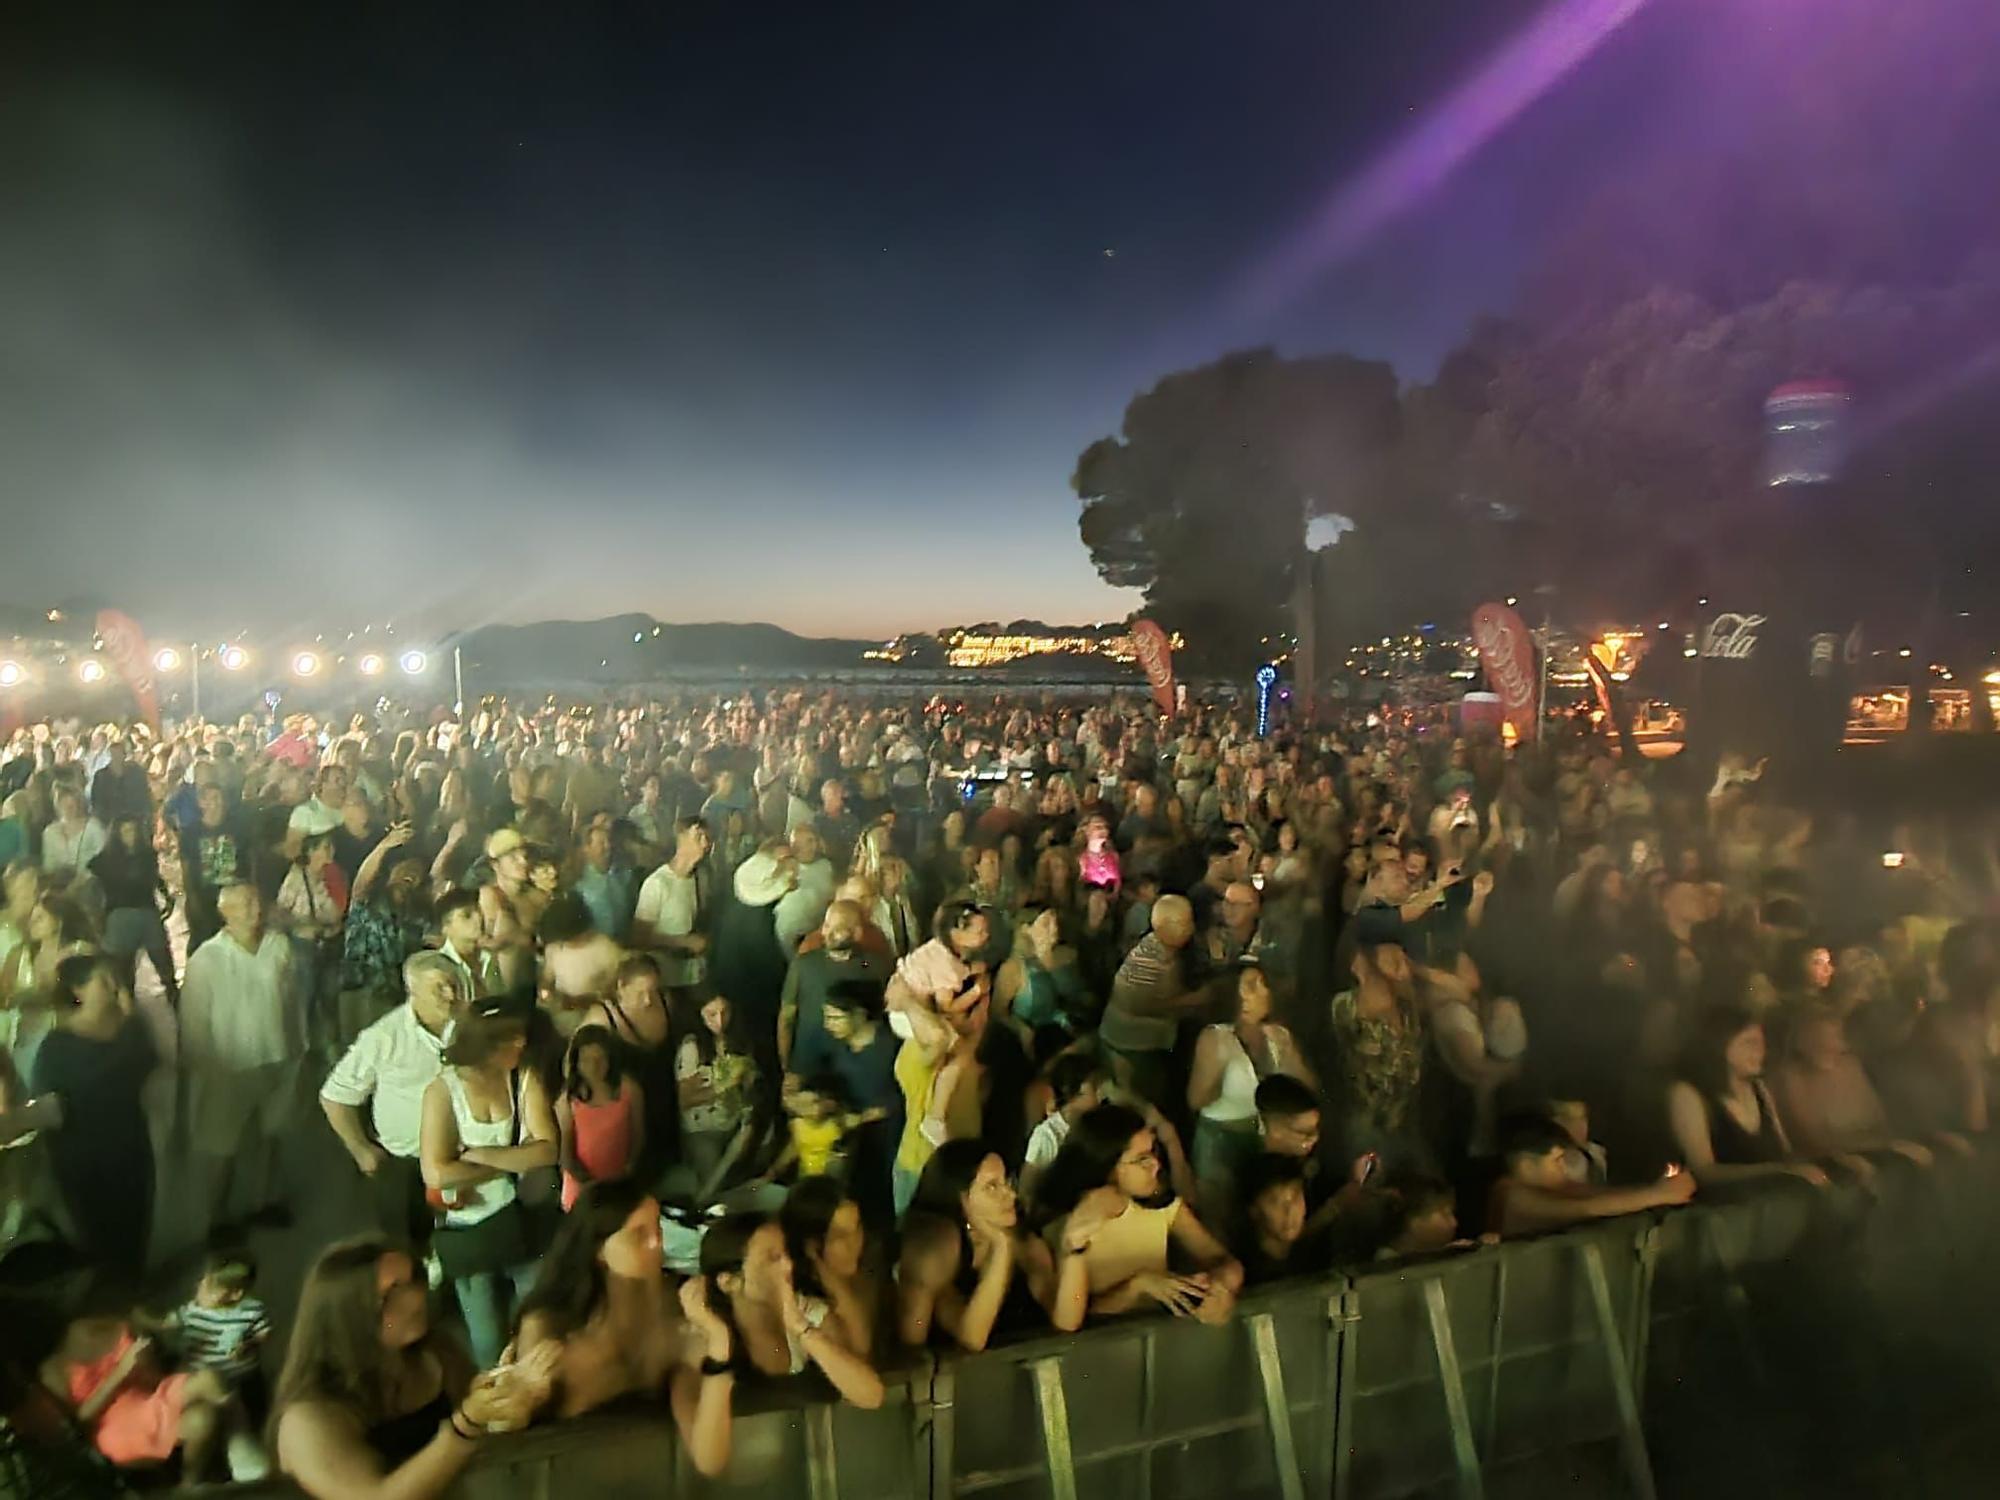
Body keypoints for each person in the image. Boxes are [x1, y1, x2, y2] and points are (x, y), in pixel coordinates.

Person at [272, 1237, 555, 1500]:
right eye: (391, 1293)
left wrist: (507, 1399)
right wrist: (464, 1427)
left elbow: (483, 1441)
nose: (417, 1298)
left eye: (415, 1281)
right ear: (349, 1314)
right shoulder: (307, 1418)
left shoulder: (435, 1353)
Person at [507, 1182, 734, 1473]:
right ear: (598, 1250)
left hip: (646, 1474)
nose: (657, 1244)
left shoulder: (675, 1316)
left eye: (658, 1229)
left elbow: (709, 1459)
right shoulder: (550, 1329)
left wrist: (718, 1344)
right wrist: (521, 1397)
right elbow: (515, 1436)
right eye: (639, 1235)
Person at [420, 999, 560, 1367]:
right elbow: (435, 1172)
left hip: (523, 1221)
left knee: (535, 1317)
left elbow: (547, 1150)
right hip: (470, 1228)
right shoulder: (442, 1092)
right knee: (486, 1336)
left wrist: (480, 1156)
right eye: (510, 1041)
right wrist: (513, 1159)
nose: (520, 1047)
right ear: (486, 1045)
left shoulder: (524, 1078)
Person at [1036, 1103, 1243, 1331]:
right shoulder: (1064, 1226)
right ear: (1108, 1166)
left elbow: (1224, 1262)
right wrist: (1137, 1287)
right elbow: (1072, 1321)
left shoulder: (1164, 1207)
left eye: (1153, 1152)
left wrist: (1218, 1287)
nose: (1155, 1165)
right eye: (1142, 1159)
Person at [321, 950, 467, 1247]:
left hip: (464, 1156)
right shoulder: (383, 1037)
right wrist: (361, 1150)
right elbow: (335, 1096)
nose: (450, 994)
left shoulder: (470, 1027)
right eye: (438, 987)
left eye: (453, 984)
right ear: (412, 991)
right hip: (405, 1168)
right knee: (407, 1245)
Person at [181, 883, 302, 1238]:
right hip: (228, 1068)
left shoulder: (279, 946)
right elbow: (193, 1020)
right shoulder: (207, 958)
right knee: (222, 1145)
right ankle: (216, 1219)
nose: (255, 910)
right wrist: (202, 1067)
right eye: (245, 904)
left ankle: (265, 1202)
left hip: (277, 1056)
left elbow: (293, 999)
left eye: (257, 901)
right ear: (225, 912)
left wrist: (299, 1046)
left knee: (272, 1136)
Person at [29, 953, 157, 1286]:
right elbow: (56, 1104)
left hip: (130, 1146)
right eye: (105, 980)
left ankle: (132, 1290)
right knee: (99, 1237)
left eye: (115, 978)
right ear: (79, 990)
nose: (115, 987)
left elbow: (148, 1066)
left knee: (135, 1226)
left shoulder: (128, 1029)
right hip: (84, 1159)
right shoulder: (57, 1046)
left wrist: (129, 1020)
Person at [897, 1139, 1080, 1351]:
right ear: (962, 1198)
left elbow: (1066, 1322)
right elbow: (971, 1340)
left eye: (1007, 1182)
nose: (1011, 1195)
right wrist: (1002, 1248)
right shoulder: (940, 1250)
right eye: (992, 1187)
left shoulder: (1025, 1242)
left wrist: (1076, 1251)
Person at [698, 1212, 885, 1408]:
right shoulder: (706, 1333)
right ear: (729, 1282)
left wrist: (802, 1329)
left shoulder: (804, 1310)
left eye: (786, 1253)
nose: (788, 1265)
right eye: (772, 1258)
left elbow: (871, 1396)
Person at [42, 1304, 234, 1479]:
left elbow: (134, 1328)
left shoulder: (81, 1328)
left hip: (149, 1396)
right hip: (115, 1428)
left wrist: (144, 1355)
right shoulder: (52, 1370)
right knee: (202, 1418)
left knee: (209, 1380)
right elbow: (80, 1421)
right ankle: (192, 1482)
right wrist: (121, 1372)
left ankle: (234, 1439)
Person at [1188, 963, 1312, 1223]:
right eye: (1251, 985)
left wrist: (1288, 1054)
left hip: (1264, 1139)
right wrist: (1217, 1066)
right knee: (1221, 1218)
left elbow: (1307, 1090)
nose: (1263, 990)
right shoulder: (1215, 1037)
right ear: (1236, 996)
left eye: (1263, 983)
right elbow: (1196, 1100)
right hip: (1220, 1141)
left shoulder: (1278, 1035)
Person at [1664, 1006, 1832, 1191]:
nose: (1760, 1051)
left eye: (1761, 1043)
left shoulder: (1759, 1089)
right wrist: (1777, 1170)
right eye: (1749, 1043)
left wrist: (1833, 1160)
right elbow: (1704, 1172)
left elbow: (1785, 1154)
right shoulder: (1688, 1094)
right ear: (1721, 1046)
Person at [1485, 1113, 1695, 1238]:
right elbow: (1587, 1208)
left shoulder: (1550, 1188)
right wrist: (1659, 1194)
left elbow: (1597, 1194)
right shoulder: (1512, 1194)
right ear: (1526, 1166)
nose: (1564, 1169)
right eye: (1557, 1161)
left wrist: (1662, 1188)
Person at [1098, 895, 1202, 1109]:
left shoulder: (1165, 950)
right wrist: (1194, 1000)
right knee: (1146, 1101)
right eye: (1184, 923)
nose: (1191, 928)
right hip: (1131, 1045)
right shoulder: (1148, 960)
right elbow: (1142, 1005)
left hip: (1147, 1041)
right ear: (1163, 927)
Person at [160, 1249, 273, 1427]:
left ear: (235, 1294)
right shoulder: (193, 1310)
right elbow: (167, 1323)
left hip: (242, 1376)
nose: (200, 1290)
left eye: (210, 1289)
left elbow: (264, 1334)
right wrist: (151, 1321)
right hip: (202, 1374)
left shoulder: (252, 1311)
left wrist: (249, 1344)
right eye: (202, 1282)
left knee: (255, 1414)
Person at [674, 988, 765, 1204]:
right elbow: (684, 1100)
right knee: (710, 1190)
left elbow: (751, 1086)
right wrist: (723, 1087)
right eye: (712, 1015)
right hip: (703, 1131)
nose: (720, 1021)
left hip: (733, 1125)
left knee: (732, 1185)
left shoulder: (739, 1042)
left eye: (725, 1012)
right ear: (700, 1014)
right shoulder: (692, 1048)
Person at [781, 1176, 882, 1358]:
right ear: (811, 1243)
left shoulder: (870, 1268)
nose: (856, 1242)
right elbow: (859, 1351)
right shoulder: (805, 1303)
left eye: (857, 1227)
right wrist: (828, 1275)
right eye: (840, 1236)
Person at [89, 815, 178, 1009]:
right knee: (123, 976)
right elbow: (91, 880)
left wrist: (167, 897)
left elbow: (155, 879)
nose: (130, 836)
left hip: (144, 911)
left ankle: (174, 1001)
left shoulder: (145, 855)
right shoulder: (107, 859)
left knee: (164, 966)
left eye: (132, 831)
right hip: (122, 915)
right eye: (125, 831)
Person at [556, 1025, 644, 1210]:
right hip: (582, 1189)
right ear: (576, 1063)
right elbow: (566, 1155)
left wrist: (628, 1170)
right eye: (586, 1060)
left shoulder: (629, 1089)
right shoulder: (569, 1098)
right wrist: (590, 1185)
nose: (594, 1067)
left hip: (619, 1185)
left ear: (611, 1059)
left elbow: (638, 1135)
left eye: (600, 1059)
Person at [630, 816, 712, 989]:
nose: (705, 844)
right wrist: (684, 942)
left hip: (695, 976)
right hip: (666, 979)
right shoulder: (657, 883)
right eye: (698, 837)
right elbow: (640, 938)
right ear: (681, 839)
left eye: (707, 838)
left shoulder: (701, 878)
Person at [1022, 1052, 1108, 1203]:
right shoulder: (1047, 1135)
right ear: (1074, 1093)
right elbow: (1028, 1187)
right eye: (1094, 1088)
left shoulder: (1098, 1123)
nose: (1102, 1094)